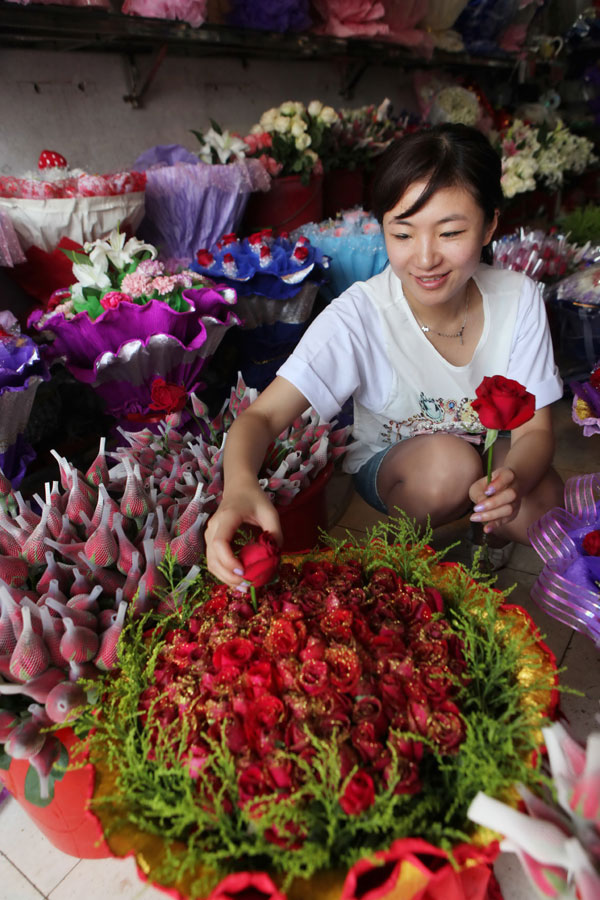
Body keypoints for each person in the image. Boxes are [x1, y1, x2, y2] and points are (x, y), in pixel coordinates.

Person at [206, 123, 564, 587]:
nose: (425, 258)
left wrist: (510, 482)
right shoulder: (360, 315)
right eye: (403, 234)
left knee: (546, 505)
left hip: (492, 457)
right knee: (451, 466)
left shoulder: (519, 299)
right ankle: (407, 549)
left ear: (490, 225)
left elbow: (534, 429)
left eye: (450, 232)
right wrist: (238, 488)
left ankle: (486, 530)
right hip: (402, 469)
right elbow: (260, 418)